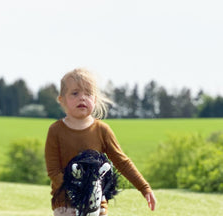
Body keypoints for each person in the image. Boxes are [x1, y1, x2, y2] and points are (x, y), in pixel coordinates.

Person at [45, 68, 157, 216]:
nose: (82, 98)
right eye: (75, 93)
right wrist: (78, 191)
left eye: (88, 93)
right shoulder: (56, 130)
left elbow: (122, 162)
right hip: (66, 205)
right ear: (62, 99)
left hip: (97, 205)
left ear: (95, 100)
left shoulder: (102, 130)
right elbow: (53, 171)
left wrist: (144, 187)